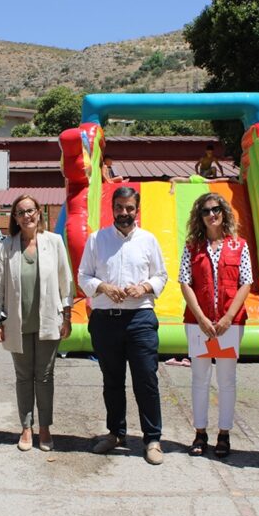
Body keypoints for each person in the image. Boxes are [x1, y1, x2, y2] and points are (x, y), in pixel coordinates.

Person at [78, 186, 168, 465]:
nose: (124, 213)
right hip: (106, 321)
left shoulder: (148, 240)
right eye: (119, 207)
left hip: (140, 318)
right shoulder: (97, 239)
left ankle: (152, 439)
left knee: (146, 380)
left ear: (136, 209)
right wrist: (102, 286)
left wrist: (145, 287)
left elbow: (161, 276)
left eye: (129, 208)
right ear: (112, 208)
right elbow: (83, 276)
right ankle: (115, 433)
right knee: (112, 381)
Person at [0, 195, 74, 452]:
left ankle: (45, 427)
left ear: (39, 213)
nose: (27, 216)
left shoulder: (54, 242)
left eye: (31, 210)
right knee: (24, 376)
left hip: (49, 320)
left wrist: (67, 317)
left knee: (45, 376)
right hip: (17, 323)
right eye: (21, 212)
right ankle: (26, 427)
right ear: (15, 218)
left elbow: (65, 282)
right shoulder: (5, 248)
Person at [178, 193, 253, 458]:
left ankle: (224, 434)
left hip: (229, 325)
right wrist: (200, 318)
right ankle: (200, 433)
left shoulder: (239, 246)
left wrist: (228, 318)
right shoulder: (192, 247)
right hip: (199, 325)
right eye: (206, 211)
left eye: (217, 209)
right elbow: (184, 281)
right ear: (200, 216)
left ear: (224, 212)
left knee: (226, 380)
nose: (212, 214)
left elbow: (246, 282)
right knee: (199, 379)